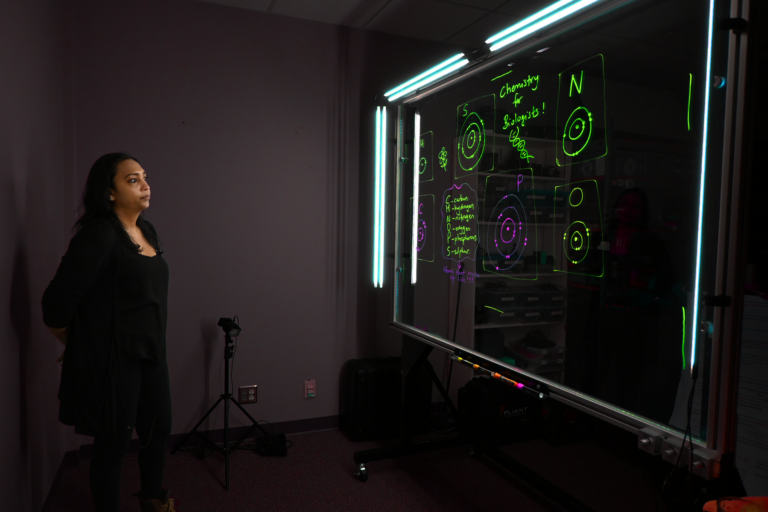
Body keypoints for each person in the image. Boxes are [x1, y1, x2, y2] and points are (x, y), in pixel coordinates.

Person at [42, 153, 175, 512]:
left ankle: (153, 501)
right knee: (113, 445)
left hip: (152, 353)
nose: (145, 184)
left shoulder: (147, 230)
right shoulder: (98, 236)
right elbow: (54, 305)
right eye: (132, 179)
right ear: (110, 192)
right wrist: (78, 345)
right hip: (115, 363)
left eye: (144, 176)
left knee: (157, 432)